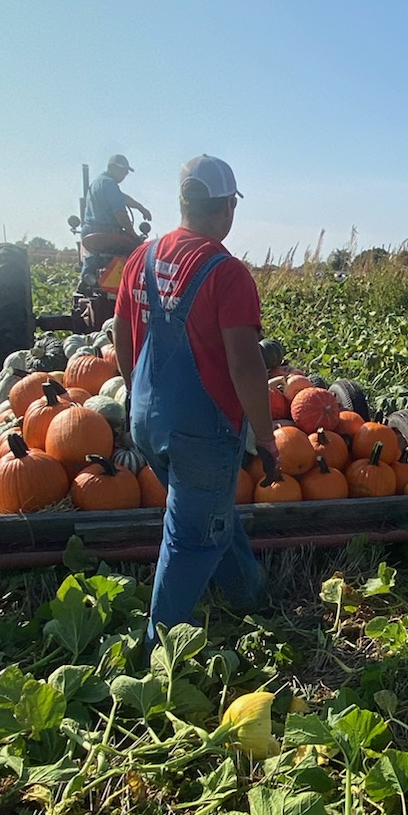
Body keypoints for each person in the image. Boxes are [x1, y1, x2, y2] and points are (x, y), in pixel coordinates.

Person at [112, 155, 279, 653]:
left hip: (147, 419)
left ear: (184, 201)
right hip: (201, 431)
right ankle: (154, 652)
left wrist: (138, 391)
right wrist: (266, 437)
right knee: (189, 539)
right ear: (228, 208)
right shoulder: (226, 273)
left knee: (206, 514)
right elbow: (246, 366)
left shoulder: (140, 258)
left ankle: (252, 596)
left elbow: (122, 331)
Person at [80, 156, 151, 288]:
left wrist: (140, 207)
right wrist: (132, 233)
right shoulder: (109, 184)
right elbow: (120, 213)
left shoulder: (98, 183)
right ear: (113, 168)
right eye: (123, 171)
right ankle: (134, 285)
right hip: (106, 232)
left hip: (90, 231)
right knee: (139, 252)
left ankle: (87, 280)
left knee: (92, 259)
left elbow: (124, 198)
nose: (125, 175)